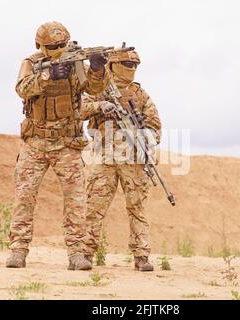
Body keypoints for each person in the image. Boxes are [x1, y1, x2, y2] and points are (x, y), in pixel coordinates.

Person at [6, 21, 110, 270]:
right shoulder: (31, 63)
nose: (58, 49)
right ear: (40, 45)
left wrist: (97, 69)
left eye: (62, 45)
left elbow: (95, 89)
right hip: (36, 142)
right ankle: (18, 250)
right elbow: (22, 89)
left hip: (67, 143)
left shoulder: (76, 63)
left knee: (76, 200)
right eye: (53, 46)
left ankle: (77, 253)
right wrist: (48, 75)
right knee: (24, 197)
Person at [83, 49, 162, 271]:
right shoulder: (98, 89)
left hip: (133, 159)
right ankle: (86, 253)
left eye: (134, 64)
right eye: (127, 63)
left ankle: (141, 255)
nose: (131, 68)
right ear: (113, 65)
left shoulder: (140, 95)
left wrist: (144, 135)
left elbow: (155, 126)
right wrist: (100, 106)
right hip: (105, 156)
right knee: (94, 206)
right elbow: (79, 109)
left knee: (137, 207)